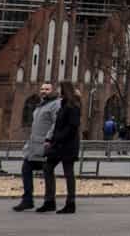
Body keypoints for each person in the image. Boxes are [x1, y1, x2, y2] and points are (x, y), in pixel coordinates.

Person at [14, 81, 59, 212]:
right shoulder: (40, 105)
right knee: (26, 168)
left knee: (48, 172)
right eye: (42, 89)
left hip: (46, 146)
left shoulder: (55, 105)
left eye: (47, 89)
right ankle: (27, 200)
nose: (44, 91)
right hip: (33, 146)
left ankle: (50, 201)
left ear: (53, 91)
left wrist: (49, 139)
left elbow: (56, 124)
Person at [43, 85, 81, 214]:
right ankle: (49, 201)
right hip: (58, 144)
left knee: (68, 173)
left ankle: (71, 203)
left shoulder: (73, 107)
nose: (58, 91)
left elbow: (72, 127)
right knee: (48, 168)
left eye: (60, 89)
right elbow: (58, 126)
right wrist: (51, 140)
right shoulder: (63, 105)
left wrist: (58, 138)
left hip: (68, 145)